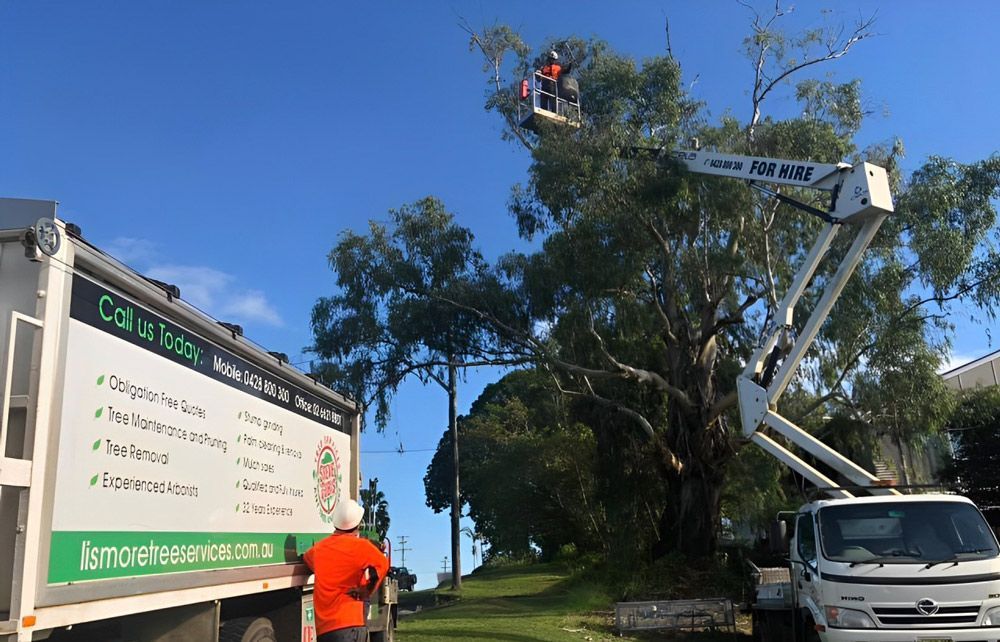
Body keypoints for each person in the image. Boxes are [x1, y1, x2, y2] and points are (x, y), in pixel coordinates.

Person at [304, 498, 390, 642]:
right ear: (358, 525)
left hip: (328, 629)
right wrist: (367, 590)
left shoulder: (318, 549)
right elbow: (382, 564)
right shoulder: (362, 547)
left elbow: (307, 560)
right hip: (355, 623)